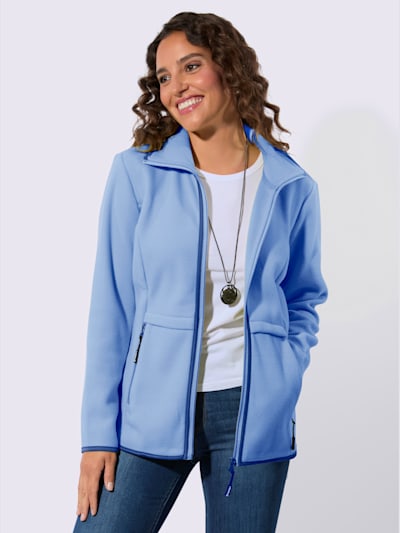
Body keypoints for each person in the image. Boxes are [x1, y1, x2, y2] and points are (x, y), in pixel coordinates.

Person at [73, 11, 327, 533]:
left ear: (228, 67)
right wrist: (98, 433)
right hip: (152, 406)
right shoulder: (138, 172)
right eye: (165, 77)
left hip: (252, 411)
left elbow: (303, 297)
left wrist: (283, 372)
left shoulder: (291, 186)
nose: (177, 87)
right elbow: (112, 306)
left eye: (191, 66)